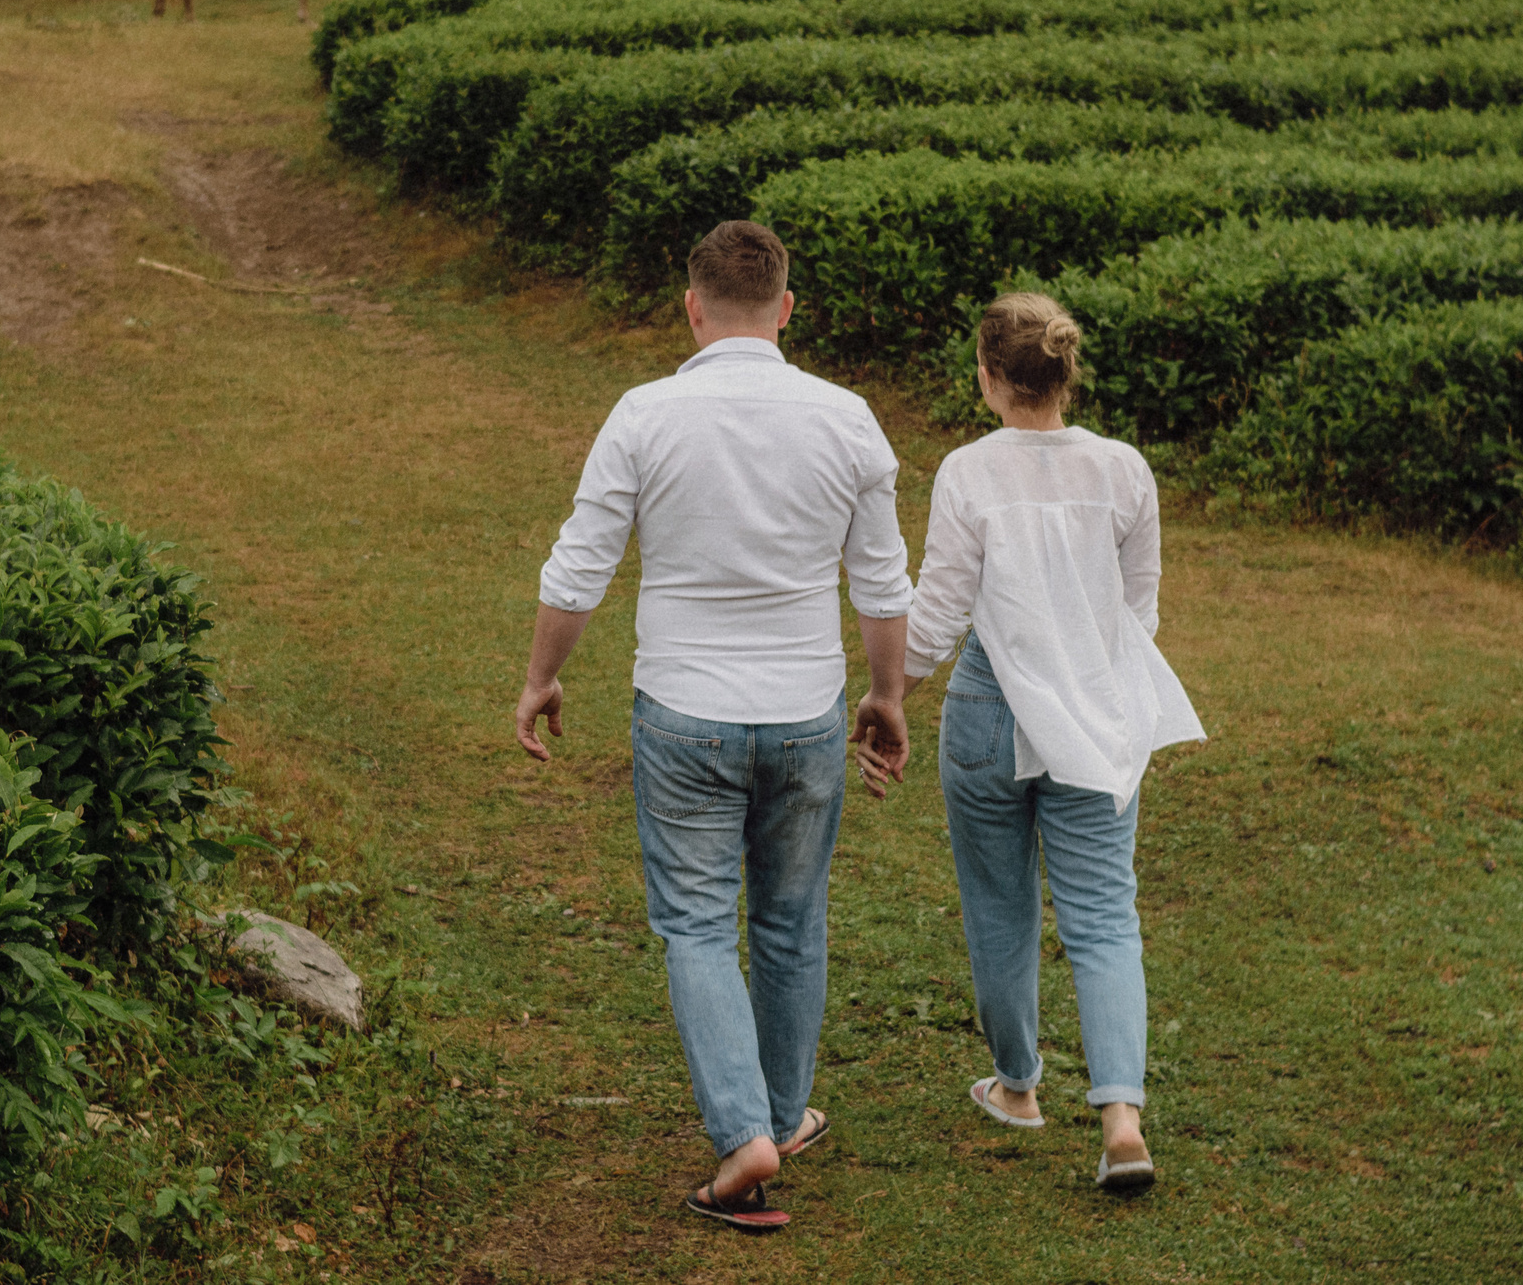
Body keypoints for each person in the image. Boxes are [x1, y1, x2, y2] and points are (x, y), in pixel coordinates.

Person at [512, 220, 913, 1233]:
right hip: (806, 712)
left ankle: (745, 1136)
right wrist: (887, 696)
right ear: (786, 309)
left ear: (692, 307)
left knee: (695, 923)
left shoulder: (645, 413)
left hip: (684, 711)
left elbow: (580, 563)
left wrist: (542, 678)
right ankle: (778, 1112)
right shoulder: (847, 417)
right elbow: (880, 582)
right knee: (790, 918)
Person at [878, 291, 1205, 1194]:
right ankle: (1122, 1120)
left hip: (989, 708)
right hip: (1099, 709)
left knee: (999, 906)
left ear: (989, 376)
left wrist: (884, 697)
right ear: (1065, 374)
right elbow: (1138, 609)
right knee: (1103, 914)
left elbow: (937, 618)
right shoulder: (1124, 468)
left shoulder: (968, 471)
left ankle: (1018, 1087)